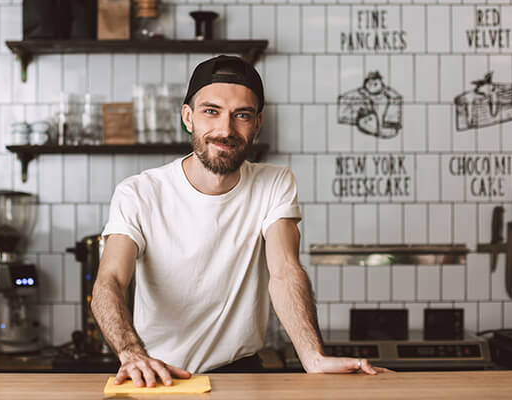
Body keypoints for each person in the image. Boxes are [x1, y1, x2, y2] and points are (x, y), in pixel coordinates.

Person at [91, 55, 388, 388]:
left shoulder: (275, 183)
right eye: (211, 111)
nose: (225, 130)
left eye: (241, 115)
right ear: (188, 117)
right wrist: (131, 353)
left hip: (242, 375)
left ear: (257, 124)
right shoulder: (138, 192)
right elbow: (110, 281)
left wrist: (312, 356)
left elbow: (284, 270)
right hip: (157, 376)